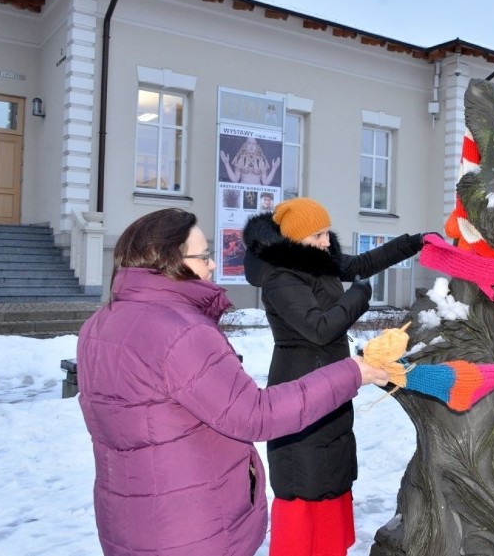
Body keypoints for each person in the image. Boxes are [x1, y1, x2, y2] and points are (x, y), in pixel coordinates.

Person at [76, 208, 389, 556]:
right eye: (204, 256)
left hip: (129, 519)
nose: (212, 266)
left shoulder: (99, 324)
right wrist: (353, 372)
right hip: (190, 527)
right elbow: (255, 415)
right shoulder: (181, 333)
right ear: (168, 262)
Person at [242, 197, 428, 556]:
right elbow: (319, 328)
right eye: (317, 235)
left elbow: (363, 263)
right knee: (305, 482)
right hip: (300, 387)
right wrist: (358, 296)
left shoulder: (314, 260)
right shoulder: (280, 277)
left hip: (332, 382)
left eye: (327, 232)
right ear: (295, 239)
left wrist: (414, 242)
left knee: (330, 476)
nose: (326, 241)